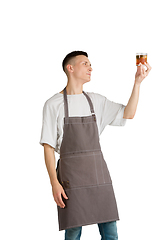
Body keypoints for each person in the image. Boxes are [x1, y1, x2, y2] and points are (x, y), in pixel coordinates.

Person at [39, 51, 151, 240]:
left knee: (110, 231)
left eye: (90, 64)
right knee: (73, 230)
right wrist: (54, 183)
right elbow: (48, 147)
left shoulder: (96, 101)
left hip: (98, 173)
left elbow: (128, 113)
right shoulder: (53, 104)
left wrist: (138, 82)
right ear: (70, 68)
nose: (91, 67)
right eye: (85, 63)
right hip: (70, 178)